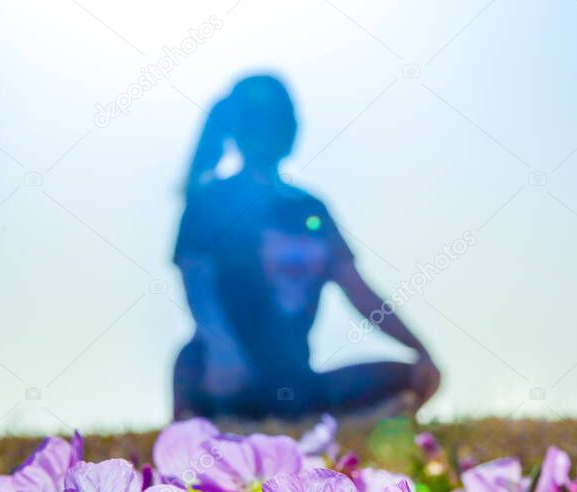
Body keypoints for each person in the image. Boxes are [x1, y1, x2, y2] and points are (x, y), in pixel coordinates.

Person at [172, 74, 440, 420]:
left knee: (409, 379)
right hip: (226, 379)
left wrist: (420, 349)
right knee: (190, 364)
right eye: (268, 118)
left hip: (295, 384)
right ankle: (220, 429)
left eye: (288, 117)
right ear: (240, 127)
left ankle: (309, 428)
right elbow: (197, 287)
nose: (283, 126)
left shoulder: (311, 208)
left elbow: (358, 291)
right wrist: (222, 348)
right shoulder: (208, 203)